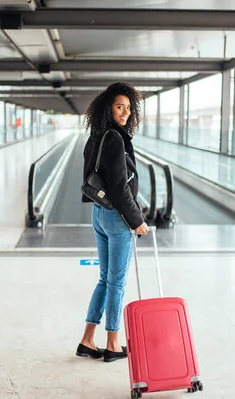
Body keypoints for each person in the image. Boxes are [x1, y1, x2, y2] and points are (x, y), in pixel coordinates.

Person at [76, 82, 149, 363]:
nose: (126, 113)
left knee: (105, 280)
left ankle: (87, 340)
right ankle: (113, 345)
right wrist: (137, 221)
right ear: (108, 108)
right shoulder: (115, 139)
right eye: (120, 107)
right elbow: (120, 187)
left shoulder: (96, 136)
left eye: (129, 108)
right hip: (117, 219)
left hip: (99, 213)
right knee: (117, 283)